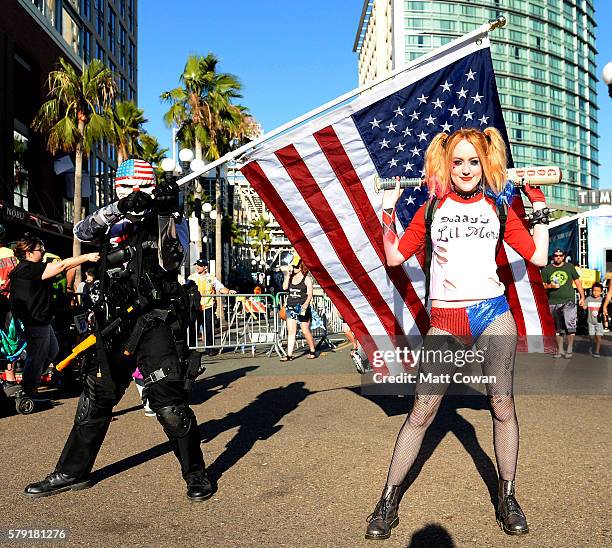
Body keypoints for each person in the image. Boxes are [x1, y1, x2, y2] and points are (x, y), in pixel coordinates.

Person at [365, 127, 550, 540]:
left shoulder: (499, 208)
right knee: (421, 412)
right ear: (446, 166)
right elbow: (395, 255)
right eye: (458, 161)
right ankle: (387, 501)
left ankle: (508, 496)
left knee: (502, 404)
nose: (466, 169)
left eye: (473, 161)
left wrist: (538, 208)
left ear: (485, 164)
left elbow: (537, 255)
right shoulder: (433, 208)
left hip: (493, 315)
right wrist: (387, 211)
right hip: (445, 322)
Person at [24, 159, 212, 502]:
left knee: (169, 405)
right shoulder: (108, 219)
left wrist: (165, 210)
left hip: (154, 321)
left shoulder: (167, 217)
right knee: (95, 400)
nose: (132, 195)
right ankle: (71, 472)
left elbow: (175, 257)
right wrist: (119, 208)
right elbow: (82, 231)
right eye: (124, 190)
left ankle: (195, 474)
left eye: (137, 190)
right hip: (113, 322)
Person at [9, 235, 98, 396]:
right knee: (37, 355)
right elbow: (63, 265)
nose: (42, 252)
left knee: (52, 350)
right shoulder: (29, 269)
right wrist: (87, 256)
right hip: (34, 321)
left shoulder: (25, 269)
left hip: (41, 320)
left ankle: (30, 382)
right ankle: (29, 390)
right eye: (39, 249)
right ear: (29, 253)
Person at [541, 249, 585, 358]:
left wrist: (582, 297)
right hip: (553, 302)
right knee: (558, 328)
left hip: (568, 300)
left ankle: (569, 349)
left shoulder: (569, 267)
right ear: (553, 257)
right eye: (556, 255)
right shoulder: (547, 269)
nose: (558, 257)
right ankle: (560, 350)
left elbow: (578, 282)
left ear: (564, 256)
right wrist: (550, 286)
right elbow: (541, 286)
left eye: (560, 255)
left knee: (570, 324)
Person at [188, 259, 235, 354]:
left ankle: (210, 349)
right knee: (193, 329)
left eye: (200, 265)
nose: (198, 267)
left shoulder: (211, 278)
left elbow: (220, 287)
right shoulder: (191, 277)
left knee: (208, 328)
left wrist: (228, 291)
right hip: (195, 307)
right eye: (197, 265)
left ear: (205, 267)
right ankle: (191, 350)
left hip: (207, 306)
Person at [280, 257, 317, 361]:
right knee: (291, 331)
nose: (293, 268)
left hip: (302, 308)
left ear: (301, 267)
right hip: (291, 307)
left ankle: (312, 350)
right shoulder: (290, 277)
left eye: (295, 266)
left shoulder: (306, 279)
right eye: (292, 266)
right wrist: (287, 274)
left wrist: (305, 304)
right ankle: (289, 354)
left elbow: (310, 294)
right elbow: (284, 288)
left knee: (305, 331)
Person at [582, 282, 605, 357]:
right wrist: (582, 303)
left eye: (598, 291)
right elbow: (584, 307)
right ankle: (591, 345)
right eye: (594, 290)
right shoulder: (588, 298)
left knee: (598, 336)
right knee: (591, 336)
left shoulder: (602, 300)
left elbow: (606, 309)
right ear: (592, 290)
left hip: (599, 321)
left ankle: (597, 351)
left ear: (601, 292)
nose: (595, 292)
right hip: (590, 321)